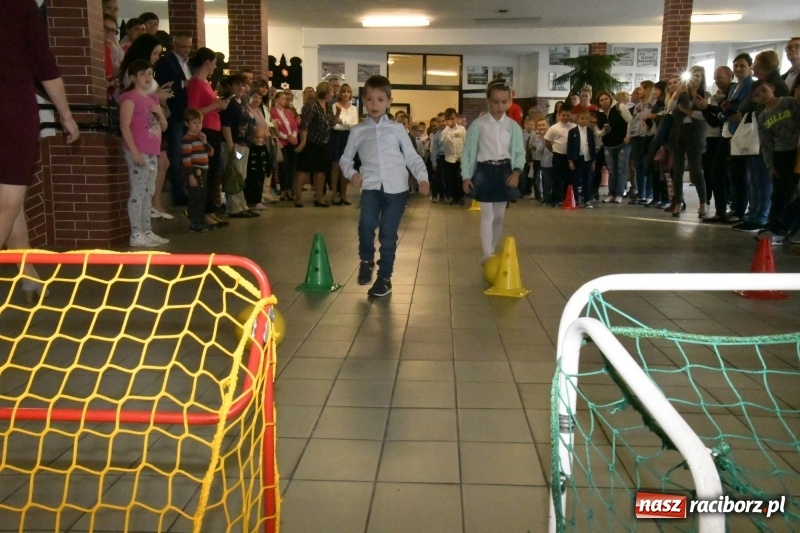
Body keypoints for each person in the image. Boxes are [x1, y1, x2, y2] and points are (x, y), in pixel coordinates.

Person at [1, 0, 79, 302]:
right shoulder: (19, 6)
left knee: (12, 197)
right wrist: (66, 115)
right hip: (11, 107)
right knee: (9, 196)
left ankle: (27, 271)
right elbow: (44, 63)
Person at [340, 75, 429, 298]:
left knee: (388, 233)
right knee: (366, 224)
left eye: (380, 99)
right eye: (369, 99)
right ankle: (366, 259)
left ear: (389, 101)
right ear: (363, 101)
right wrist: (352, 174)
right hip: (370, 186)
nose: (374, 104)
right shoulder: (357, 131)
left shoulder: (398, 129)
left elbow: (412, 157)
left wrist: (422, 178)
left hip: (397, 190)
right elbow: (345, 160)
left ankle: (384, 278)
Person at [461, 79, 525, 262]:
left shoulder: (513, 127)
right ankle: (487, 254)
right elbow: (468, 152)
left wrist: (516, 172)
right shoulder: (478, 125)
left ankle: (492, 247)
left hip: (504, 170)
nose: (499, 106)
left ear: (510, 101)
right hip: (484, 171)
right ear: (488, 101)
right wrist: (466, 175)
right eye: (495, 102)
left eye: (504, 102)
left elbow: (519, 151)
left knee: (499, 215)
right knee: (487, 214)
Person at [118, 60, 169, 247]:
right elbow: (124, 125)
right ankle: (136, 233)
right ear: (132, 77)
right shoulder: (130, 98)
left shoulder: (153, 99)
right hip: (138, 151)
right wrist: (134, 152)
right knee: (138, 192)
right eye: (142, 74)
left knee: (149, 191)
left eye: (150, 73)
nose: (148, 77)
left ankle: (147, 230)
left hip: (151, 151)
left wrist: (160, 113)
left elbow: (163, 126)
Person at [187, 47, 230, 229]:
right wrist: (216, 105)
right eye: (214, 62)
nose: (215, 66)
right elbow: (192, 112)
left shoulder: (206, 83)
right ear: (207, 62)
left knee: (213, 173)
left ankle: (210, 210)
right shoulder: (196, 83)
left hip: (213, 127)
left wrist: (218, 105)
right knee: (207, 172)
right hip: (204, 129)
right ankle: (203, 212)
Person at [752, 79, 800, 229]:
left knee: (794, 190)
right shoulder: (763, 117)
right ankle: (773, 225)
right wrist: (770, 165)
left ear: (772, 88)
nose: (763, 95)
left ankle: (791, 226)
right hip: (780, 155)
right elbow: (766, 144)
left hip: (796, 151)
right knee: (779, 192)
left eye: (764, 90)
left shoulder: (789, 102)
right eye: (757, 95)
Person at [155, 32, 193, 208]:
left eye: (189, 47)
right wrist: (184, 84)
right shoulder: (166, 62)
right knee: (176, 153)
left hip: (188, 114)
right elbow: (166, 85)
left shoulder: (189, 64)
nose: (186, 50)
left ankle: (189, 189)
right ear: (174, 46)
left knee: (188, 153)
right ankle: (178, 193)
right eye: (183, 47)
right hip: (176, 113)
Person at [181, 108, 214, 233]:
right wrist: (190, 175)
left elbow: (211, 152)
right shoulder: (187, 139)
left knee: (202, 196)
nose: (197, 126)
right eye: (194, 123)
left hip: (204, 170)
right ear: (187, 124)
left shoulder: (200, 138)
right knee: (196, 197)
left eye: (199, 123)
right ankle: (194, 222)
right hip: (195, 171)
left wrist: (205, 141)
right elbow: (186, 159)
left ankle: (200, 221)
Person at [597, 90, 632, 203]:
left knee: (621, 169)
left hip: (622, 143)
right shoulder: (600, 114)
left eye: (606, 99)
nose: (604, 102)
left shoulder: (619, 107)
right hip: (608, 144)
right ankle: (611, 193)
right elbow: (599, 131)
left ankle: (619, 194)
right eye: (601, 100)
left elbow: (630, 121)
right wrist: (603, 132)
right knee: (611, 170)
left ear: (610, 99)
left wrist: (628, 135)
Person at [330, 83, 359, 205]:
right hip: (337, 137)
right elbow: (335, 125)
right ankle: (334, 195)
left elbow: (355, 125)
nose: (346, 94)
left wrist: (343, 121)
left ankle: (344, 195)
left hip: (349, 137)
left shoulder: (354, 108)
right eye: (344, 92)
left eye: (348, 92)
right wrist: (346, 123)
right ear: (340, 94)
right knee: (336, 166)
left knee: (345, 167)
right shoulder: (335, 106)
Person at [271, 89, 300, 201]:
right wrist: (286, 137)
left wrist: (293, 136)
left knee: (292, 166)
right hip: (283, 142)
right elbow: (276, 129)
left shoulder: (287, 112)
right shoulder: (273, 111)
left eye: (286, 99)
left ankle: (289, 189)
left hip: (292, 142)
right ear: (277, 99)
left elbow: (294, 126)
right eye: (283, 98)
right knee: (284, 166)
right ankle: (284, 189)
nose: (285, 101)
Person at [544, 107, 575, 206]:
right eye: (563, 115)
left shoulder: (575, 127)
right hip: (558, 156)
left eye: (568, 115)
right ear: (559, 115)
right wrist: (554, 151)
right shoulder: (554, 128)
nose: (565, 117)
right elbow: (548, 142)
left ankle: (567, 198)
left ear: (571, 115)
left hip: (571, 157)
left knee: (569, 178)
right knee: (557, 178)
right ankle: (556, 199)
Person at [567, 110, 597, 208]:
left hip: (588, 159)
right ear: (577, 119)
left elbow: (592, 146)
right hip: (577, 159)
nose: (584, 121)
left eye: (586, 119)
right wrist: (570, 160)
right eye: (582, 118)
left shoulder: (590, 131)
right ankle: (575, 199)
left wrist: (593, 161)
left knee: (587, 180)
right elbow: (569, 146)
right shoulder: (572, 132)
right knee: (575, 180)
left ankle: (587, 199)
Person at [440, 108, 467, 205]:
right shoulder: (445, 131)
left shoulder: (462, 129)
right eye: (448, 119)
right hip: (449, 159)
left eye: (452, 118)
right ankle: (453, 197)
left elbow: (466, 143)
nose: (451, 121)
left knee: (459, 178)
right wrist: (447, 128)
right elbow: (442, 141)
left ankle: (460, 197)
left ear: (456, 118)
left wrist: (463, 156)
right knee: (450, 180)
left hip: (460, 159)